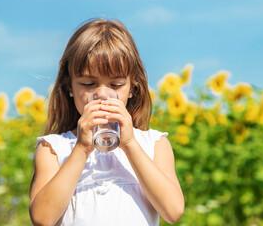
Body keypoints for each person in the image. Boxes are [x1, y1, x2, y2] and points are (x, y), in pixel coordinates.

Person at [29, 18, 184, 226]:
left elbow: (173, 212)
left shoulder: (154, 144)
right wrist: (82, 148)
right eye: (88, 83)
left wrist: (130, 144)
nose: (102, 94)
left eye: (116, 84)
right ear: (69, 87)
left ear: (132, 87)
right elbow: (41, 218)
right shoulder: (54, 149)